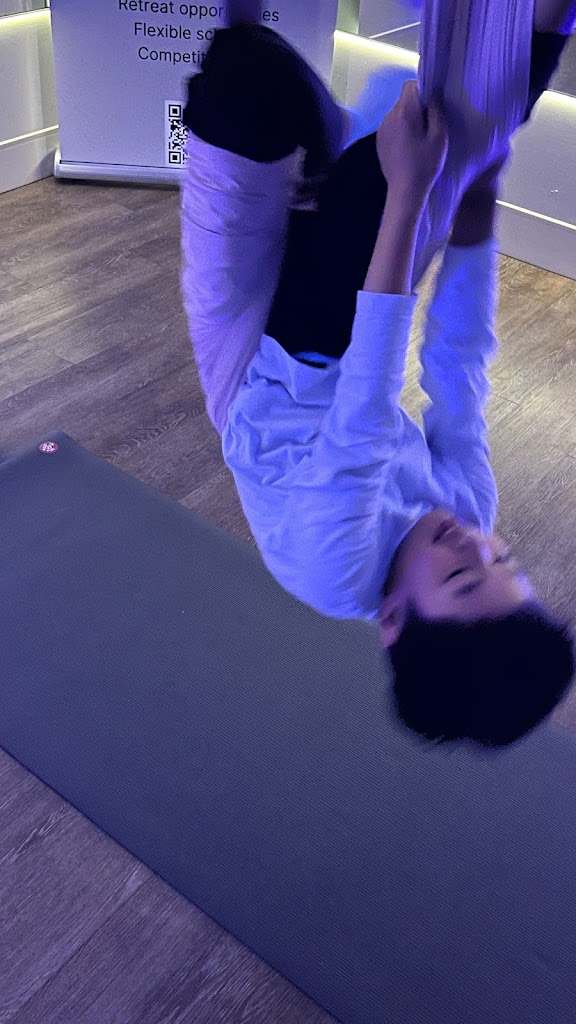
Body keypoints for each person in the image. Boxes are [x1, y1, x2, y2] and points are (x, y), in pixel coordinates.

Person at [180, 0, 576, 749]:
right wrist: (478, 214)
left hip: (259, 369)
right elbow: (460, 370)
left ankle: (342, 165)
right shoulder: (469, 516)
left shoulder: (333, 570)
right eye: (502, 558)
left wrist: (408, 191)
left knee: (243, 81)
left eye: (460, 576)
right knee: (444, 154)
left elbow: (364, 408)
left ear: (392, 619)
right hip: (329, 341)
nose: (473, 542)